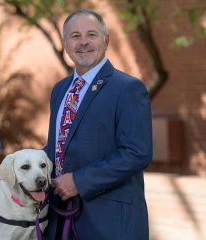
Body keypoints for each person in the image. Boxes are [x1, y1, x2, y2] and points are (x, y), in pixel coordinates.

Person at [42, 9, 152, 240]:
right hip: (58, 218)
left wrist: (79, 181)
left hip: (109, 222)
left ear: (106, 39)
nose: (83, 42)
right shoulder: (60, 90)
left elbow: (136, 153)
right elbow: (58, 148)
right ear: (65, 42)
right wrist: (20, 165)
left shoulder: (128, 88)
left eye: (91, 34)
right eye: (75, 36)